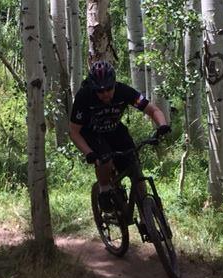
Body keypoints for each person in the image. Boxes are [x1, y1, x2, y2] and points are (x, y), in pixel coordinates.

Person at [68, 60, 170, 210]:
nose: (105, 94)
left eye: (109, 89)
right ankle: (103, 190)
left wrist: (162, 126)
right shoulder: (84, 97)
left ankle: (146, 211)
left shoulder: (124, 91)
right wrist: (89, 153)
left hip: (115, 130)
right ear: (93, 88)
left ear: (114, 84)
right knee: (105, 160)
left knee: (134, 166)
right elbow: (74, 131)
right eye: (100, 91)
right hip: (92, 133)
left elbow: (153, 110)